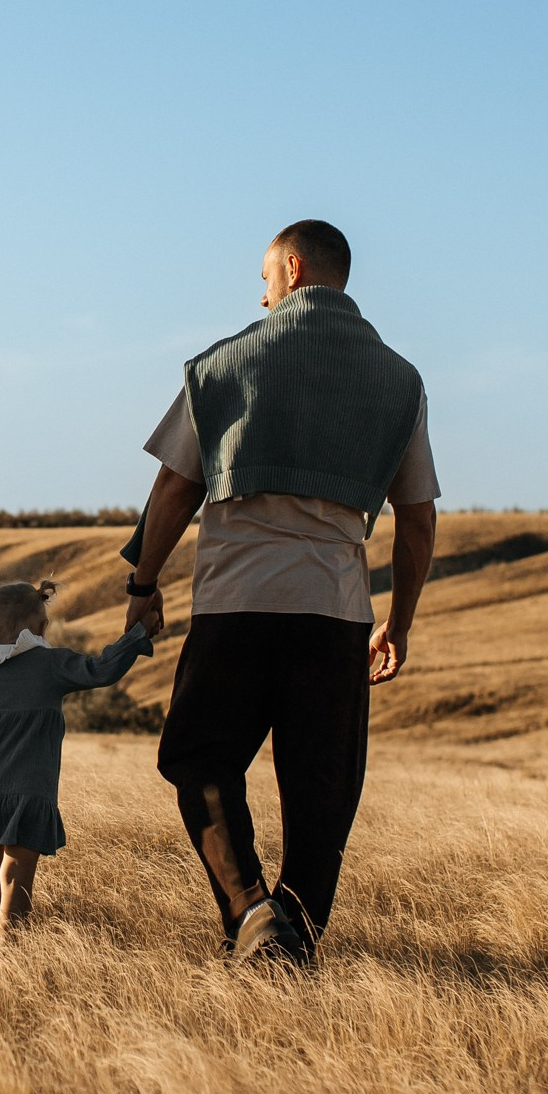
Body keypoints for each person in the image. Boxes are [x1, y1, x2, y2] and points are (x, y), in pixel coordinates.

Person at [121, 219, 439, 964]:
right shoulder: (401, 379)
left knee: (199, 758)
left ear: (292, 270)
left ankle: (252, 910)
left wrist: (142, 583)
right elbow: (418, 520)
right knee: (323, 785)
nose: (260, 296)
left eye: (265, 279)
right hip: (334, 609)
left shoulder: (225, 363)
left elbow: (174, 489)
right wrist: (399, 622)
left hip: (237, 599)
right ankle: (294, 930)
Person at [0, 580, 155, 934]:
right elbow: (103, 669)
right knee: (17, 871)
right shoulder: (53, 663)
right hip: (29, 786)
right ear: (42, 626)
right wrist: (136, 635)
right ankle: (10, 944)